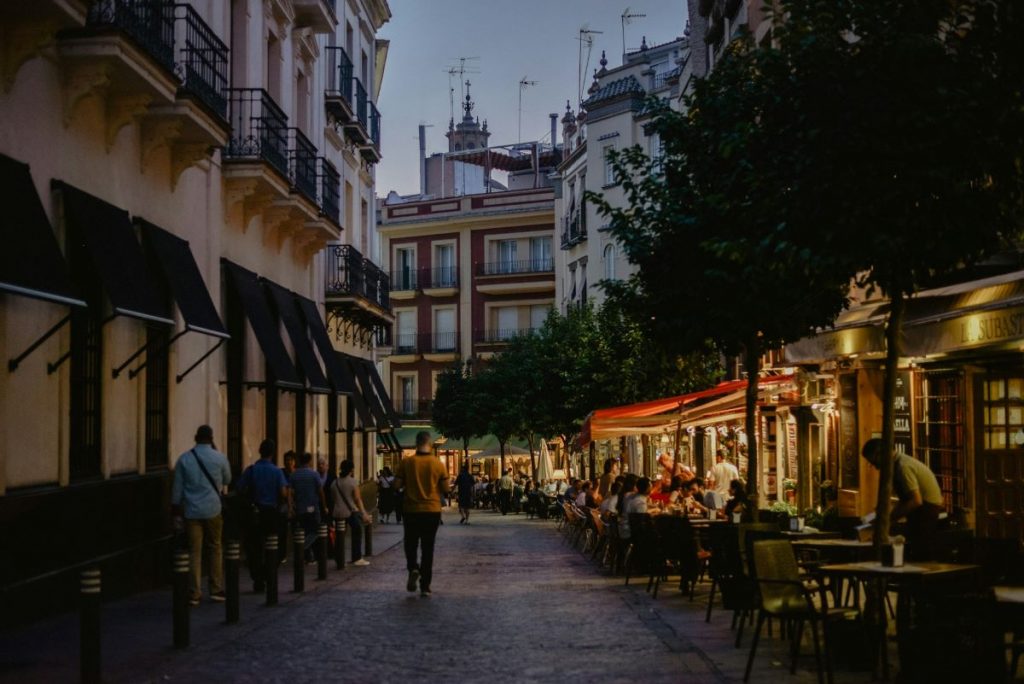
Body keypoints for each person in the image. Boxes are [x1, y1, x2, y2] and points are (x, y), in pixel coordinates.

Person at [171, 425, 231, 606]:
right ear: (211, 438)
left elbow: (177, 490)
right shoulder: (220, 458)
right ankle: (216, 588)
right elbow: (227, 480)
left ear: (195, 437)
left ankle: (194, 592)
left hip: (192, 511)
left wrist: (176, 511)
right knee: (215, 547)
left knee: (194, 551)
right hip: (213, 509)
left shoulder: (184, 459)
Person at [862, 438, 944, 561]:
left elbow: (915, 500)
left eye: (873, 462)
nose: (875, 466)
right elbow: (905, 500)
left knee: (919, 559)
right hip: (921, 514)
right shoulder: (898, 464)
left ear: (882, 453)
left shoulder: (903, 467)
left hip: (925, 515)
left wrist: (889, 518)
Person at [395, 430, 449, 596]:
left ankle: (413, 567)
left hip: (411, 510)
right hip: (432, 510)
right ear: (430, 444)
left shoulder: (406, 463)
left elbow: (396, 486)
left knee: (410, 543)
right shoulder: (438, 464)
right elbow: (445, 489)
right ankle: (425, 586)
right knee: (428, 547)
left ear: (416, 444)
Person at [236, 439, 289, 593]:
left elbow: (239, 488)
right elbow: (283, 493)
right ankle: (268, 573)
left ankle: (258, 577)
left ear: (260, 451)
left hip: (254, 514)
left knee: (254, 548)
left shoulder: (251, 470)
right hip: (271, 514)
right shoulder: (277, 472)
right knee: (274, 547)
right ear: (272, 453)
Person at [330, 460, 372, 566]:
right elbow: (358, 499)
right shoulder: (352, 482)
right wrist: (364, 513)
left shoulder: (334, 483)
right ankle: (356, 557)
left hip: (338, 512)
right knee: (357, 533)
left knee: (340, 536)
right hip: (351, 512)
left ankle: (338, 558)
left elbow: (333, 499)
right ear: (351, 470)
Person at [289, 452, 326, 564]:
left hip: (300, 508)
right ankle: (303, 547)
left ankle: (307, 556)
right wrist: (324, 506)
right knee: (316, 530)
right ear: (309, 461)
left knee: (304, 531)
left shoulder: (294, 475)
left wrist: (291, 506)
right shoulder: (314, 474)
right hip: (313, 508)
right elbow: (320, 492)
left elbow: (290, 493)